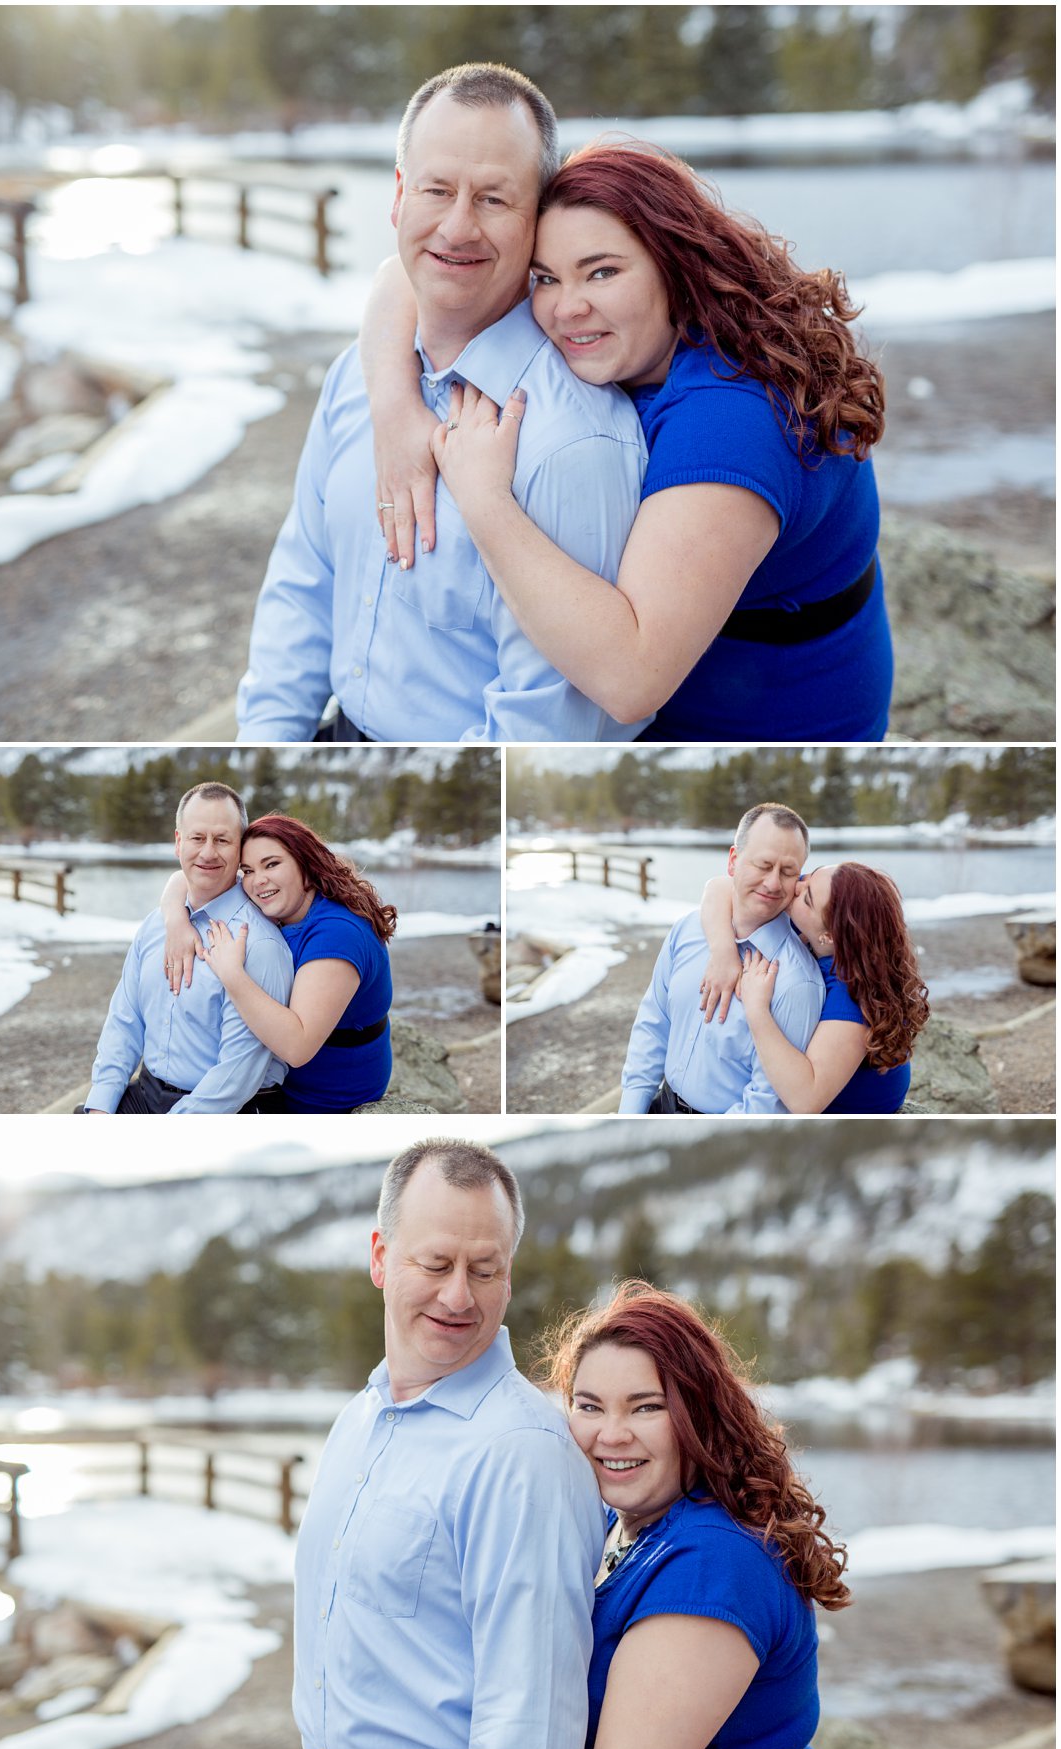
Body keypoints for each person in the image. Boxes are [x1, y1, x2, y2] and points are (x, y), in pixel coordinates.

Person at [369, 140, 891, 743]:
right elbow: (400, 278)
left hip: (756, 725)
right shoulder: (680, 325)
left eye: (603, 271)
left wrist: (483, 499)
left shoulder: (731, 425)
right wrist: (395, 407)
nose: (568, 307)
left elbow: (631, 680)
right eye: (545, 278)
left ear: (676, 262)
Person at [236, 63, 646, 744]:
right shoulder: (358, 374)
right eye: (435, 190)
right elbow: (303, 582)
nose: (456, 228)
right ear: (399, 197)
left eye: (493, 198)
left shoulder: (570, 441)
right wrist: (267, 751)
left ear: (538, 218)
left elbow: (545, 726)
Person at [293, 1137, 605, 1749]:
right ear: (380, 1258)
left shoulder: (521, 1452)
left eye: (484, 1268)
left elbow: (532, 1721)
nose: (458, 1295)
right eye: (434, 1264)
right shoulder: (359, 1418)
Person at [540, 1280, 852, 1749]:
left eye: (646, 1406)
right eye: (588, 1406)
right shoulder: (631, 1523)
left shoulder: (714, 1558)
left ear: (696, 1413)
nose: (610, 1434)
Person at [80, 783, 293, 1114]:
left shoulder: (258, 944)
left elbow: (237, 1074)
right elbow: (125, 1021)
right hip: (147, 1094)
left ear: (240, 849)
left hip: (230, 1109)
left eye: (222, 840)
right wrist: (101, 1105)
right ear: (178, 843)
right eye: (197, 838)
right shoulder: (156, 925)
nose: (208, 852)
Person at [162, 814, 396, 1113]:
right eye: (247, 870)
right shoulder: (289, 900)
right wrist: (175, 920)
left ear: (307, 866)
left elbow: (296, 1048)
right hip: (282, 1075)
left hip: (323, 1094)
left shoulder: (337, 935)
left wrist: (231, 974)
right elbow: (183, 877)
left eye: (272, 864)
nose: (258, 880)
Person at [619, 805, 823, 1114]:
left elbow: (766, 1104)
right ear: (733, 861)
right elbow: (653, 1024)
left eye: (788, 871)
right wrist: (631, 1113)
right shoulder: (687, 929)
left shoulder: (797, 982)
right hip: (659, 1105)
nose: (772, 883)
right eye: (763, 865)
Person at [698, 861, 930, 1114]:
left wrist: (757, 1010)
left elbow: (805, 1100)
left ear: (829, 936)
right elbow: (719, 887)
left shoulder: (852, 998)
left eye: (806, 897)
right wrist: (723, 951)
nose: (796, 887)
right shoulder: (820, 915)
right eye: (808, 877)